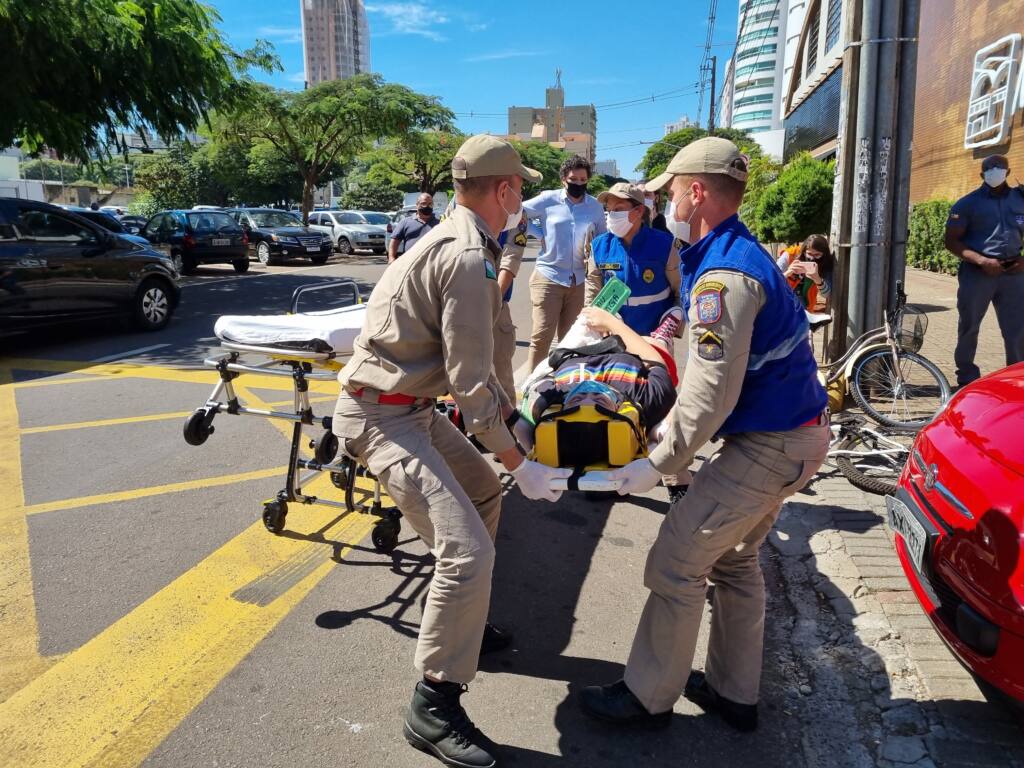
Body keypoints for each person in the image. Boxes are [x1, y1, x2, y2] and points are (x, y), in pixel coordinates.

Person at [332, 134, 572, 768]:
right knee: (465, 553)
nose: (524, 197)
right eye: (520, 186)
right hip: (380, 416)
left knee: (483, 492)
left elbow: (492, 355)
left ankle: (465, 620)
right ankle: (433, 702)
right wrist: (523, 464)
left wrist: (515, 421)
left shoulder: (477, 246)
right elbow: (468, 387)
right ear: (505, 189)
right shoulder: (466, 256)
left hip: (410, 408)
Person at [578, 137, 829, 734]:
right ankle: (733, 694)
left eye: (669, 191)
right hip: (795, 438)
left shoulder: (724, 275)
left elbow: (713, 394)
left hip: (769, 446)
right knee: (736, 563)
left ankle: (646, 699)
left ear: (696, 192)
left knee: (674, 564)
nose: (664, 201)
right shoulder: (732, 252)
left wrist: (656, 464)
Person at [522, 155, 608, 372]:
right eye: (573, 179)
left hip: (579, 281)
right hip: (548, 277)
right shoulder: (548, 199)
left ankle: (562, 387)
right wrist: (538, 233)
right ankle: (533, 386)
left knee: (572, 341)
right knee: (541, 338)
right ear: (563, 179)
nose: (578, 183)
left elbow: (601, 239)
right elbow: (519, 212)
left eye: (582, 179)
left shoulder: (595, 207)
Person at [944, 154, 1024, 387]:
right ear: (981, 174)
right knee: (969, 327)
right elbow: (951, 241)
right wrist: (981, 261)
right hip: (978, 274)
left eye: (999, 167)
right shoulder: (967, 204)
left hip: (1014, 273)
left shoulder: (1021, 200)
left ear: (1008, 172)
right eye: (989, 168)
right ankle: (967, 378)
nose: (995, 171)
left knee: (1017, 330)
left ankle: (1016, 379)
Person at [442, 198, 529, 403]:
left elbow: (511, 258)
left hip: (496, 305)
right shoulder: (456, 204)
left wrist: (491, 300)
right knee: (459, 369)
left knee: (500, 370)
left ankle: (507, 427)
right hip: (459, 300)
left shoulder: (515, 210)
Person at [586, 182, 681, 337]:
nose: (611, 216)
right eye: (609, 210)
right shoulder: (599, 247)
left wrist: (668, 331)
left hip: (654, 339)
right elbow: (592, 293)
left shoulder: (666, 245)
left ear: (639, 211)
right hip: (612, 339)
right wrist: (596, 325)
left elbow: (681, 293)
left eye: (618, 209)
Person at [776, 234, 834, 310]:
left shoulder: (825, 263)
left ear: (824, 254)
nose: (812, 258)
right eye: (809, 254)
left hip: (805, 304)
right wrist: (788, 273)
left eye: (817, 255)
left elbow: (826, 294)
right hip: (782, 297)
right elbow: (772, 281)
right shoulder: (790, 255)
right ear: (803, 251)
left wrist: (817, 279)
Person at [388, 193, 440, 263]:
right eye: (424, 203)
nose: (427, 206)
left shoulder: (439, 223)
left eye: (430, 204)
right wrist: (391, 257)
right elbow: (395, 241)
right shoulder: (405, 222)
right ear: (417, 205)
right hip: (410, 263)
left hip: (433, 263)